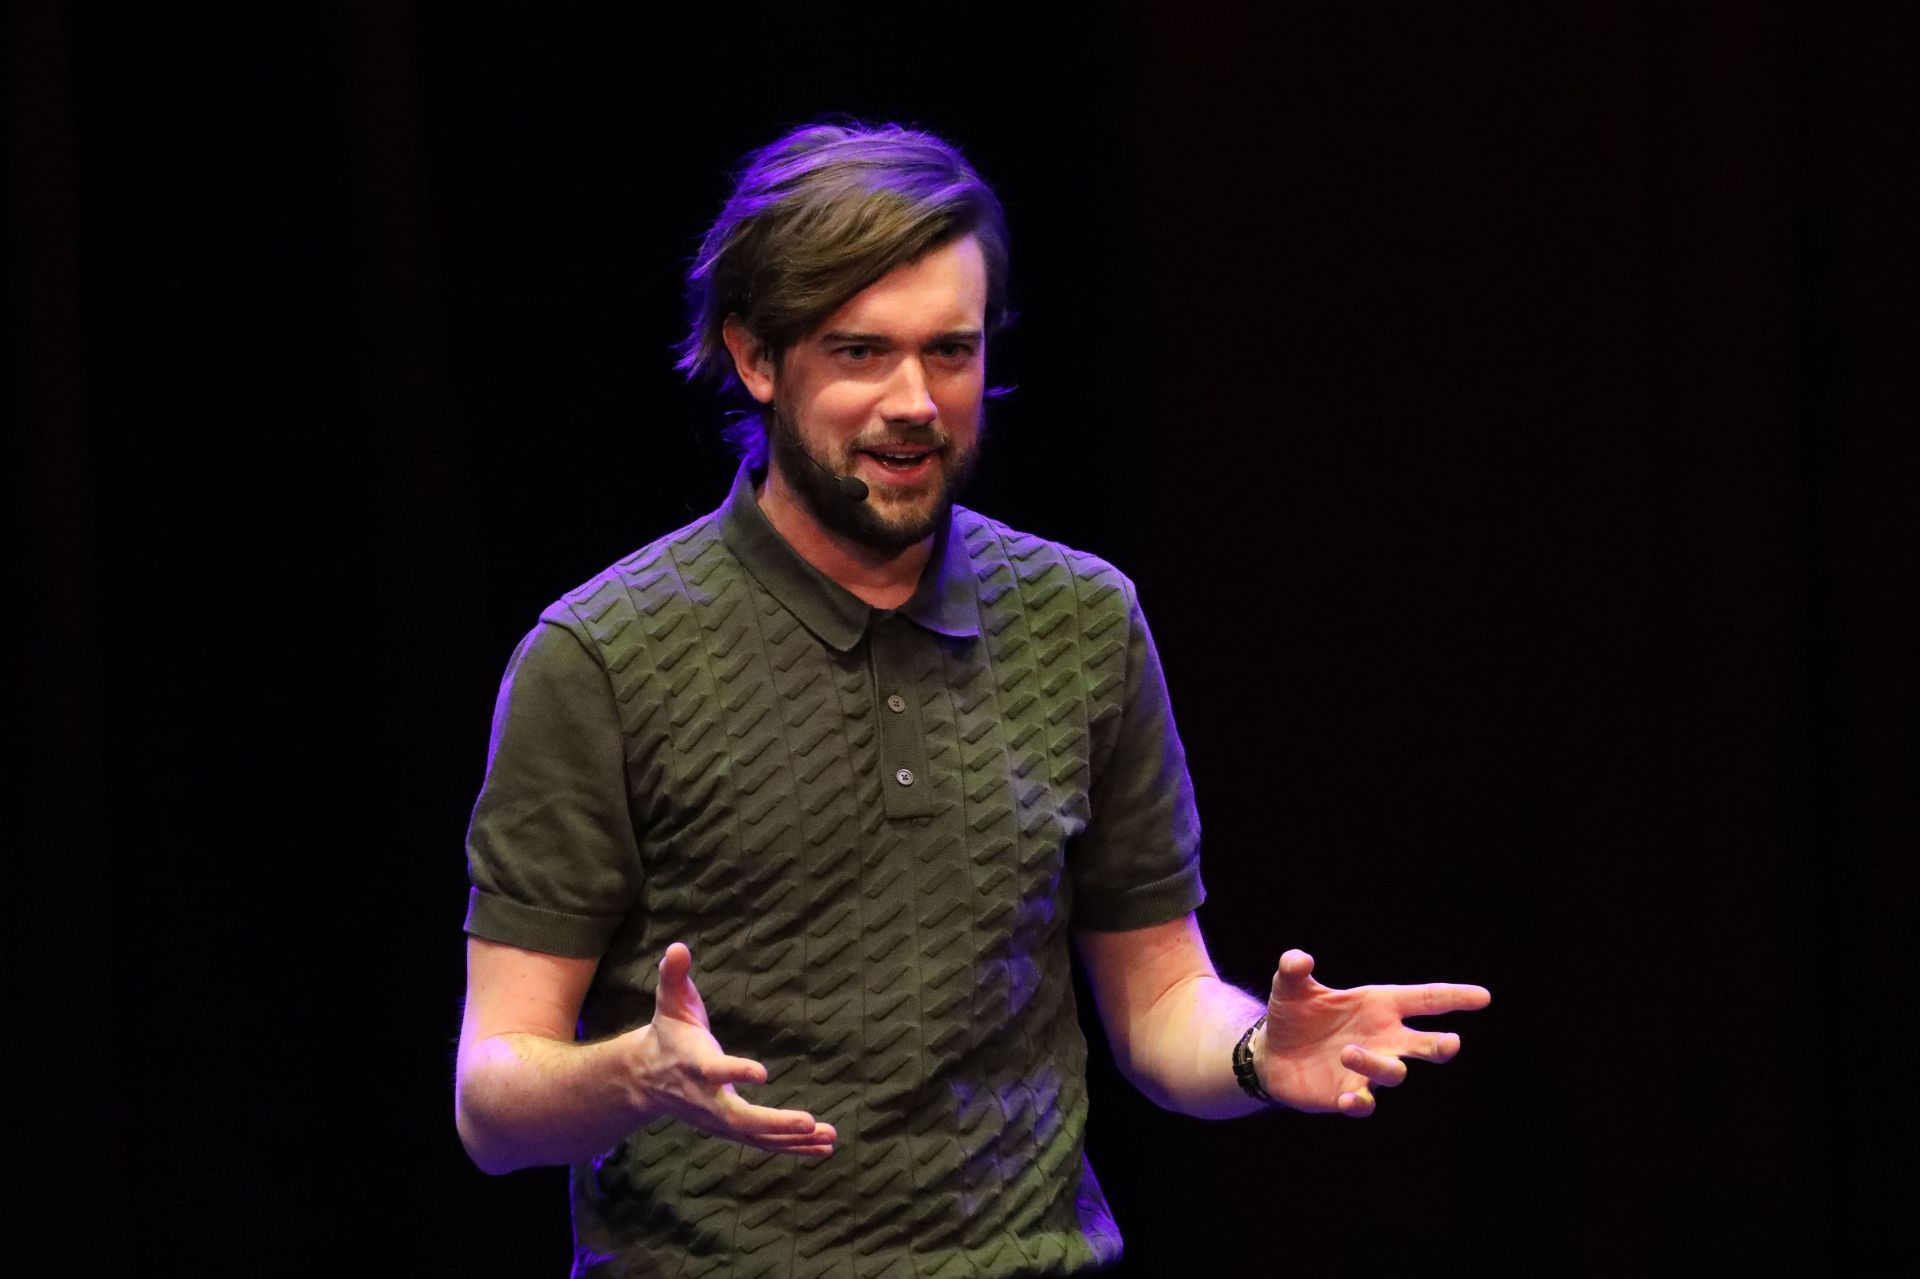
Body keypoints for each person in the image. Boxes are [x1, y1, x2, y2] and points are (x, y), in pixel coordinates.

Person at [455, 121, 1490, 1277]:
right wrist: (632, 1073)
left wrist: (1257, 1052)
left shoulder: (1082, 618)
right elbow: (493, 1100)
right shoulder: (602, 655)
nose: (917, 401)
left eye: (949, 353)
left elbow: (1159, 1005)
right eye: (861, 354)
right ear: (756, 359)